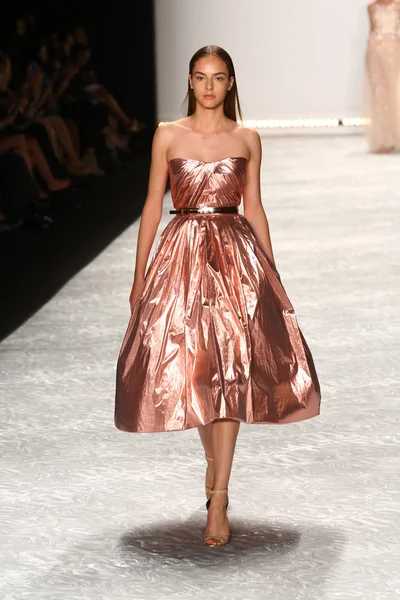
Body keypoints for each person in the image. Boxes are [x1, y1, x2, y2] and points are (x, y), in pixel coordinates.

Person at [115, 45, 321, 547]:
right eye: (201, 77)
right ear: (190, 82)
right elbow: (150, 205)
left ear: (231, 84)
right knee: (197, 370)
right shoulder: (168, 135)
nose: (209, 86)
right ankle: (213, 463)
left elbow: (255, 206)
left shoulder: (247, 138)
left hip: (234, 257)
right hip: (181, 253)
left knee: (232, 371)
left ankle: (220, 497)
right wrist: (138, 275)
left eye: (218, 77)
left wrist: (271, 272)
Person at [364, 0, 400, 153]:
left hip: (393, 50)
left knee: (395, 92)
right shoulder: (371, 7)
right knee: (380, 94)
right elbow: (372, 31)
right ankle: (384, 140)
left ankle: (396, 136)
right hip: (375, 51)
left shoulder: (398, 4)